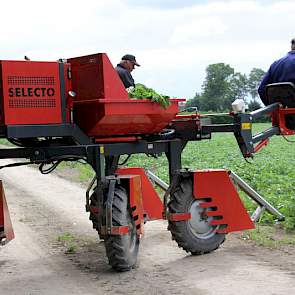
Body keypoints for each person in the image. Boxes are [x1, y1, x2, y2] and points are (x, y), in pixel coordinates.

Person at [258, 38, 295, 105]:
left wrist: (271, 108)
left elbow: (261, 89)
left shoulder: (275, 64)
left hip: (281, 112)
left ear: (291, 46)